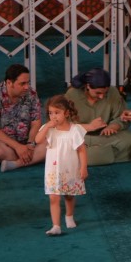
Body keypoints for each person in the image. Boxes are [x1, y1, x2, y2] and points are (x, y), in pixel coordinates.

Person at [33, 95, 87, 237]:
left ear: (67, 113)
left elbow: (81, 150)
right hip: (53, 170)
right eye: (51, 113)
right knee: (53, 198)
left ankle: (69, 215)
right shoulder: (49, 128)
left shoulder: (75, 130)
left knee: (69, 195)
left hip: (70, 168)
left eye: (57, 112)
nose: (53, 116)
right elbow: (37, 140)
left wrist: (83, 167)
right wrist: (46, 128)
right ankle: (56, 226)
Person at [0, 63, 46, 171]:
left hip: (26, 142)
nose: (26, 87)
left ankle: (16, 163)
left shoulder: (31, 93)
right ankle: (32, 157)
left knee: (52, 142)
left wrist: (31, 143)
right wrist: (17, 147)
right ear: (9, 83)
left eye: (28, 83)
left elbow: (36, 121)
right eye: (22, 84)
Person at [64, 68, 131, 166]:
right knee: (65, 140)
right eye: (98, 93)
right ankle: (106, 155)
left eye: (105, 93)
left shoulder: (113, 92)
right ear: (88, 86)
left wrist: (113, 126)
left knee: (129, 139)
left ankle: (83, 157)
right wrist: (89, 126)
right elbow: (64, 125)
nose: (101, 97)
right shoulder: (72, 94)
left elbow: (122, 117)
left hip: (105, 137)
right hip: (81, 137)